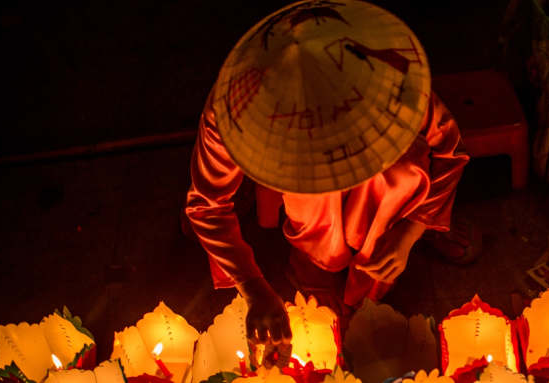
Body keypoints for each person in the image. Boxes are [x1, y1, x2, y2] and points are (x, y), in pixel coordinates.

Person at [184, 0, 469, 346]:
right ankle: (316, 263)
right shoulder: (235, 110)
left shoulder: (390, 75)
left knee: (399, 173)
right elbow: (207, 206)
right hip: (310, 209)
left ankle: (374, 269)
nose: (337, 170)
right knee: (313, 197)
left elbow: (448, 148)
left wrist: (410, 232)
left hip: (388, 185)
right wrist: (254, 289)